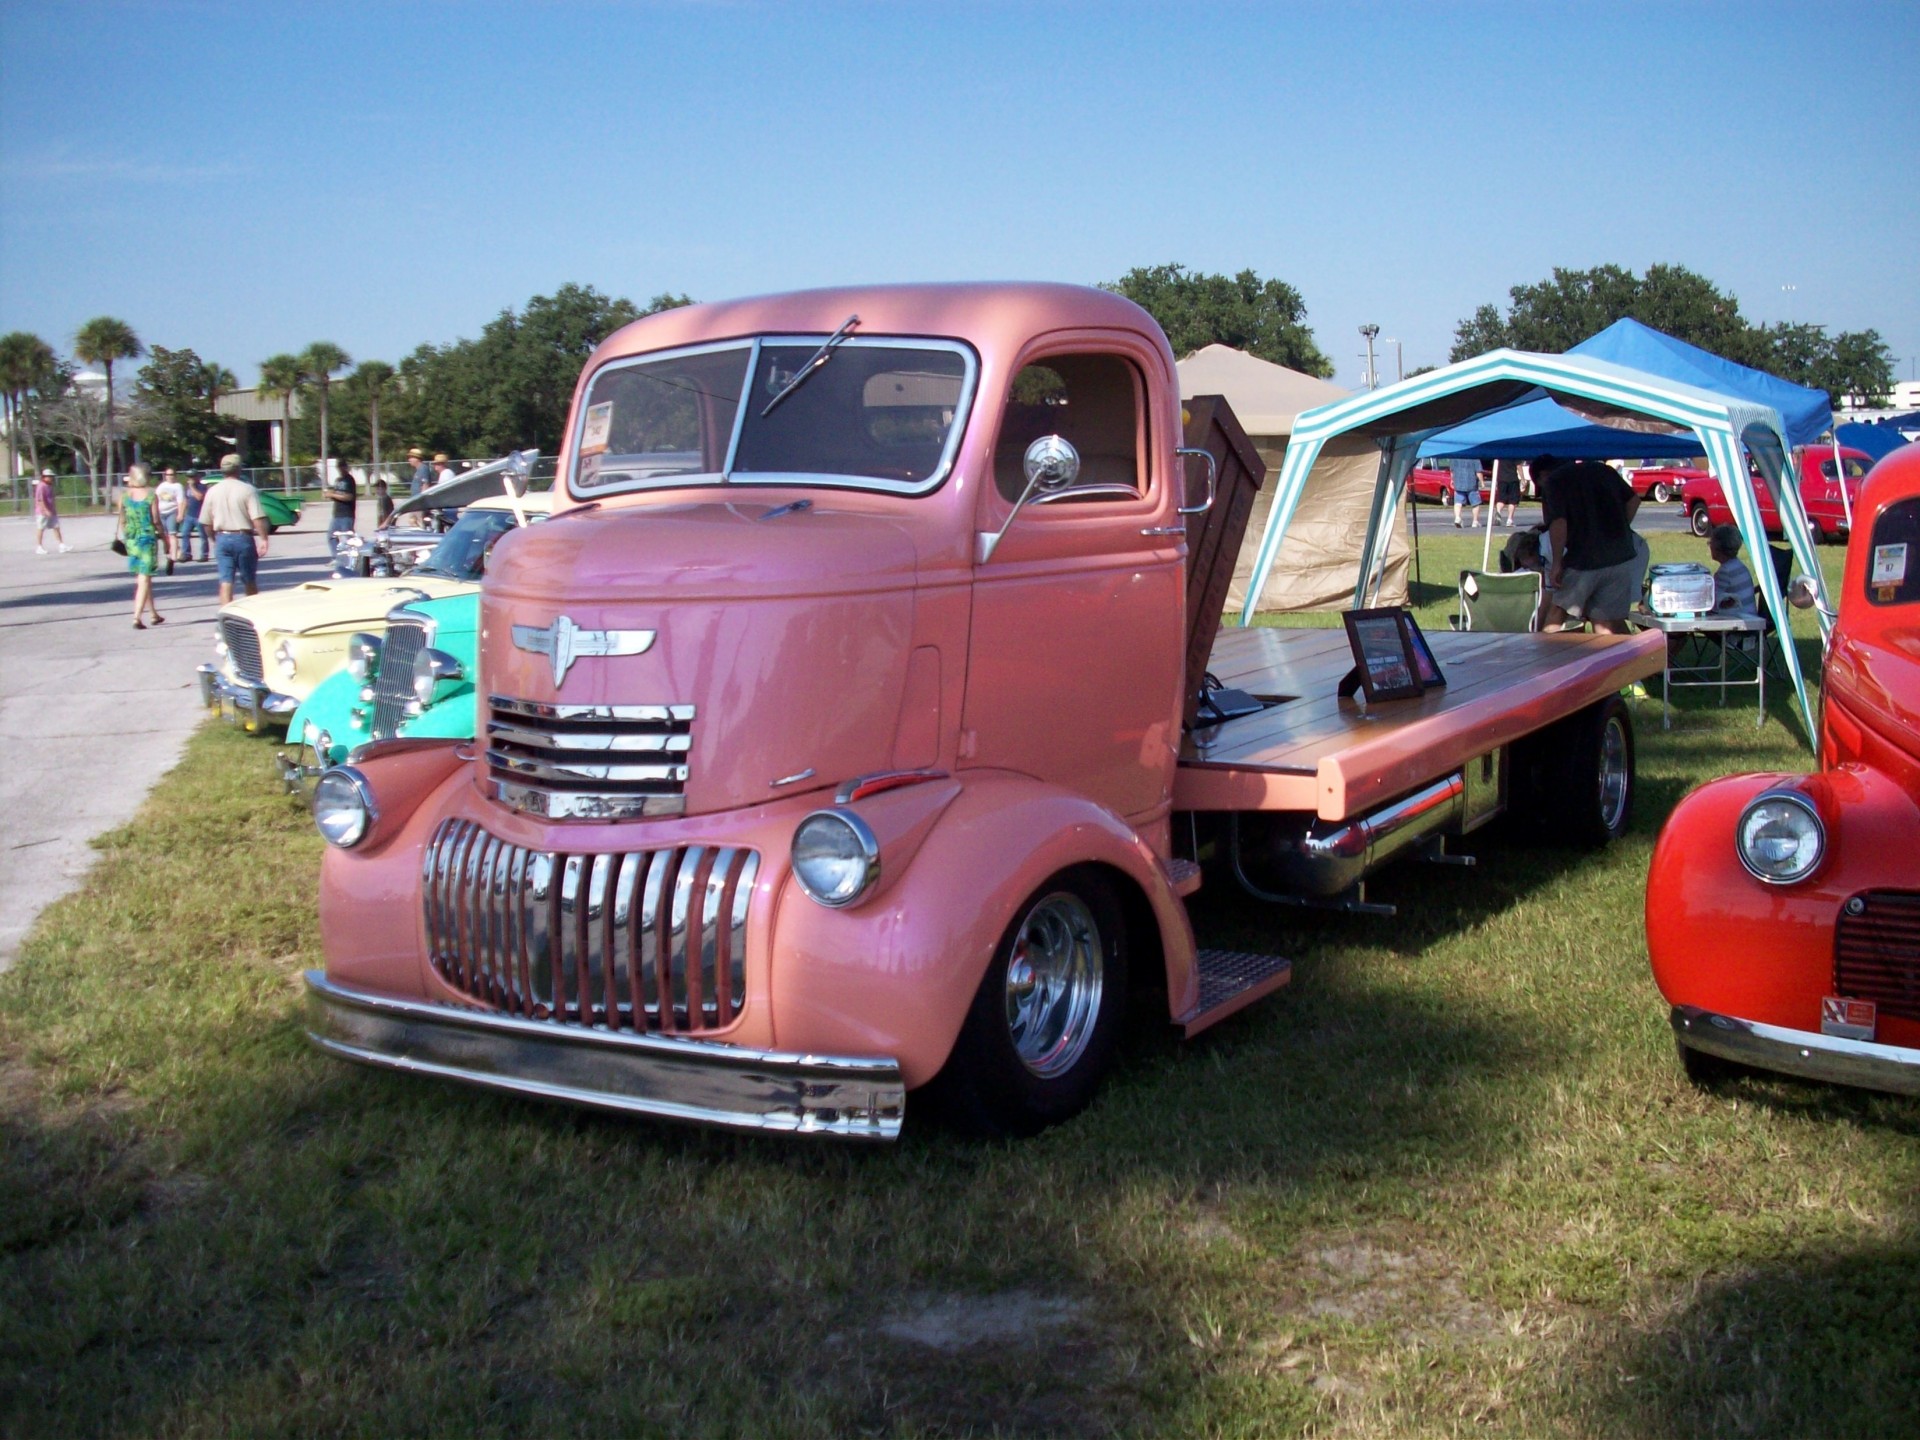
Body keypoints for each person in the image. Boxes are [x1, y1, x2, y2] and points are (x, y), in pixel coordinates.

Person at [1536, 453, 1647, 635]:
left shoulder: (1554, 482)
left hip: (1583, 560)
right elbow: (1634, 500)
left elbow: (1559, 523)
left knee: (1558, 610)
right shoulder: (1603, 470)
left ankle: (1543, 659)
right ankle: (1621, 661)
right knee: (1604, 623)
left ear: (1542, 475)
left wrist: (1557, 563)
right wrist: (1619, 528)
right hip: (1619, 557)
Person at [202, 452, 270, 604]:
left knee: (226, 580)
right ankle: (253, 613)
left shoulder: (212, 491)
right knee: (249, 579)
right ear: (238, 469)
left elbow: (206, 522)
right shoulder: (247, 489)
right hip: (243, 537)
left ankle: (226, 616)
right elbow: (257, 517)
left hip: (222, 537)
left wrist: (213, 538)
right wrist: (263, 538)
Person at [116, 462, 165, 628]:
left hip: (132, 539)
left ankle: (153, 614)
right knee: (144, 578)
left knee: (144, 577)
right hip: (146, 539)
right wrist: (164, 538)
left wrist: (127, 534)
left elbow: (122, 519)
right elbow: (156, 520)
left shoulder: (124, 496)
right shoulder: (151, 495)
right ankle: (136, 617)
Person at [1708, 524, 1759, 618]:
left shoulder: (1725, 572)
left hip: (1740, 623)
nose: (1709, 546)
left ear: (1718, 547)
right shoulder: (1739, 566)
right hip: (1750, 618)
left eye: (1710, 542)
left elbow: (1711, 603)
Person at [154, 466, 186, 574]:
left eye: (171, 475)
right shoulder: (162, 486)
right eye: (168, 475)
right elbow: (155, 497)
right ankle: (175, 550)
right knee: (165, 535)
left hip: (172, 511)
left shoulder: (178, 486)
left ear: (175, 476)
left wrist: (180, 514)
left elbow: (181, 501)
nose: (169, 477)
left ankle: (173, 558)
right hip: (161, 512)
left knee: (172, 534)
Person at [324, 457, 358, 555]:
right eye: (339, 467)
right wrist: (330, 494)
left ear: (346, 467)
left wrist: (333, 495)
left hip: (347, 514)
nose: (340, 469)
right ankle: (337, 557)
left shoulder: (349, 480)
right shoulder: (338, 480)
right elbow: (336, 494)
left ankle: (351, 557)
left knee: (347, 539)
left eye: (343, 466)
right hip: (337, 514)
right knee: (331, 536)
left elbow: (349, 497)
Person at [32, 467, 69, 554]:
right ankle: (39, 547)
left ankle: (61, 545)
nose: (51, 478)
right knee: (41, 528)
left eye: (51, 476)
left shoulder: (49, 486)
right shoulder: (41, 486)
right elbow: (40, 500)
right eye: (49, 476)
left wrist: (52, 509)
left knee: (56, 527)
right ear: (44, 477)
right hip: (42, 512)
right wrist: (45, 510)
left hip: (51, 510)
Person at [182, 470, 211, 561]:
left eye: (192, 477)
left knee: (203, 536)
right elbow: (185, 500)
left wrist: (192, 487)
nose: (191, 479)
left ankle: (204, 554)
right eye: (189, 477)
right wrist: (182, 513)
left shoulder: (202, 487)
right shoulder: (187, 488)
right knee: (185, 533)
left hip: (199, 515)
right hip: (189, 515)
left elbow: (199, 497)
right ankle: (186, 554)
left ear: (197, 477)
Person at [1449, 457, 1482, 528]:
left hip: (1458, 482)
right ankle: (1475, 521)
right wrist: (1482, 482)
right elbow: (1478, 471)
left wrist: (1452, 480)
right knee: (1475, 503)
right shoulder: (1474, 457)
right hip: (1472, 483)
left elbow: (1452, 470)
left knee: (1458, 502)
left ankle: (1457, 518)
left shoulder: (1454, 456)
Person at [1492, 457, 1522, 527]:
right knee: (1513, 500)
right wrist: (1522, 478)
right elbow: (1519, 466)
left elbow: (1495, 467)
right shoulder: (1514, 454)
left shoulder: (1499, 455)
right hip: (1512, 479)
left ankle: (1498, 512)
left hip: (1501, 479)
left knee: (1501, 498)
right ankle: (1509, 519)